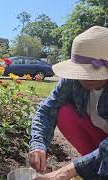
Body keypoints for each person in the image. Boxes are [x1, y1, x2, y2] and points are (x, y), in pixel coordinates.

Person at [29, 26, 108, 180]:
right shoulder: (71, 81)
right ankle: (94, 169)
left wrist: (66, 171)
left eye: (93, 73)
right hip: (97, 137)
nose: (85, 78)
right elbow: (46, 110)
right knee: (64, 112)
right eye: (82, 72)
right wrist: (38, 144)